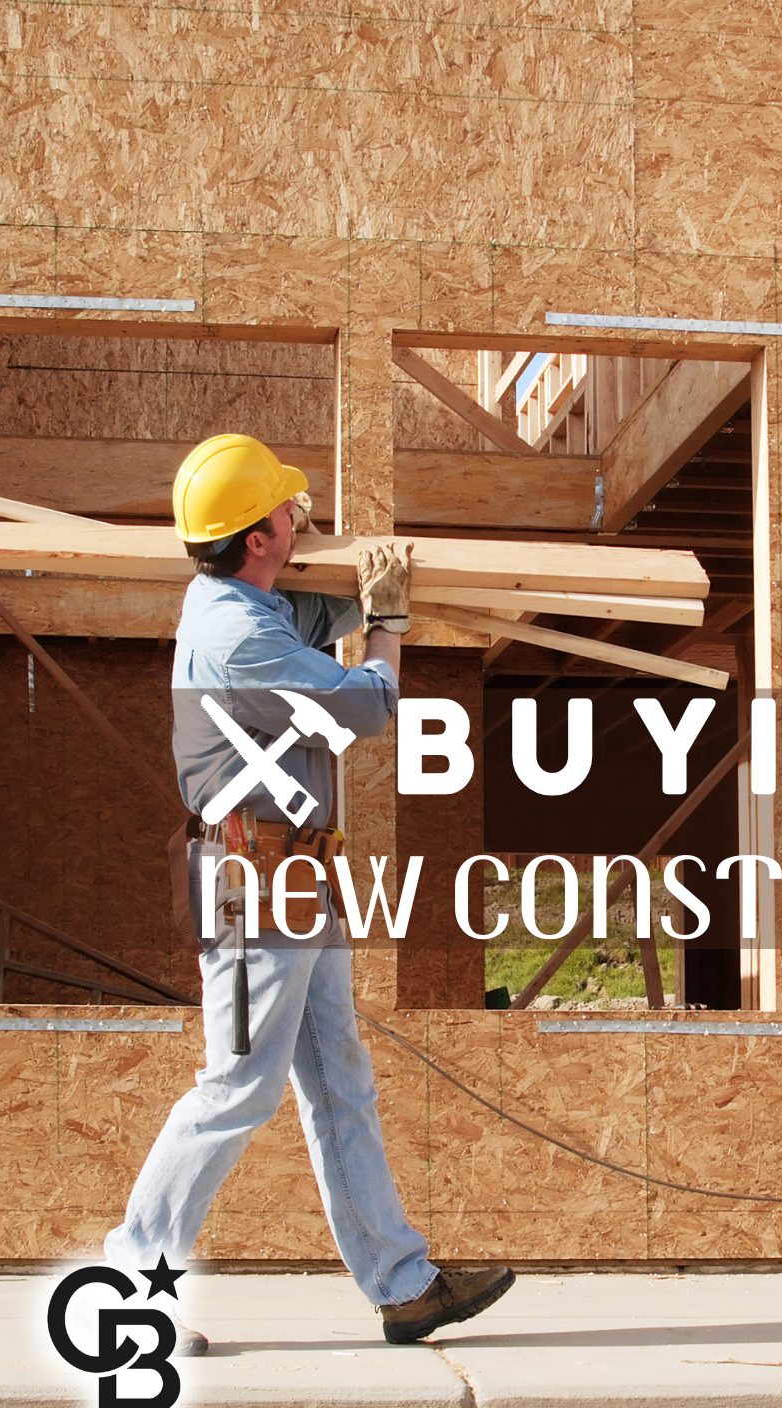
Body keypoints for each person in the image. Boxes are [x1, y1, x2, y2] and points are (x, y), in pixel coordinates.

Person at [105, 433, 514, 1351]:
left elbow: (313, 605)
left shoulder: (243, 602)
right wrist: (390, 628)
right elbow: (366, 704)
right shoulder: (241, 637)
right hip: (252, 885)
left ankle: (404, 1285)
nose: (300, 515)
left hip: (292, 878)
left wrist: (346, 577)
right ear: (256, 539)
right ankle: (131, 1286)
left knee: (338, 1083)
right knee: (237, 1087)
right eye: (285, 510)